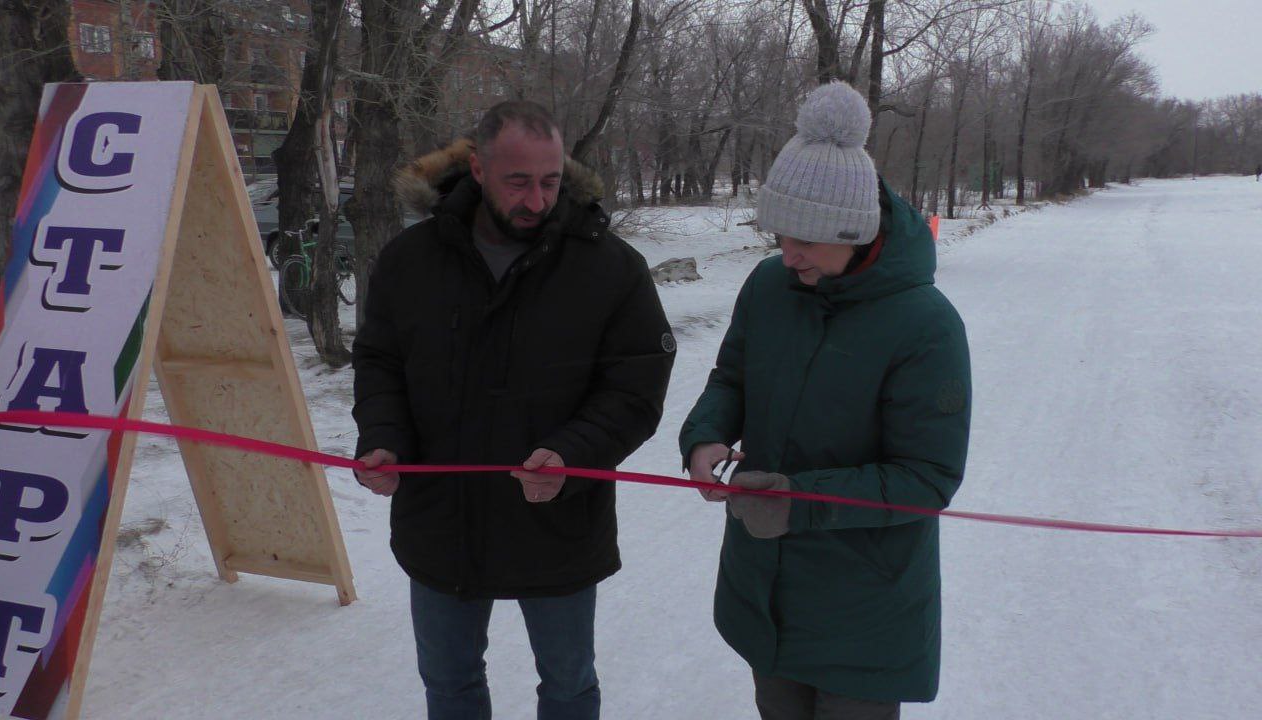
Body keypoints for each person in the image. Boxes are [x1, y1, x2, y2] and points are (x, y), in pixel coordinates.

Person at [351, 100, 675, 720]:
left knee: (568, 685)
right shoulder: (410, 260)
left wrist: (575, 452)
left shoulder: (609, 267)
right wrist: (385, 437)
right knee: (449, 685)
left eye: (550, 181)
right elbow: (380, 361)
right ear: (478, 169)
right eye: (518, 182)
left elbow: (635, 386)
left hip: (557, 520)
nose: (537, 200)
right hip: (442, 522)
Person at [680, 81, 972, 720]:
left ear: (857, 231)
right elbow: (733, 377)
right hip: (766, 591)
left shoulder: (925, 325)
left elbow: (927, 478)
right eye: (780, 236)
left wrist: (796, 505)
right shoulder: (769, 286)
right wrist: (705, 434)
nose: (788, 256)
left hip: (866, 609)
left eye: (805, 240)